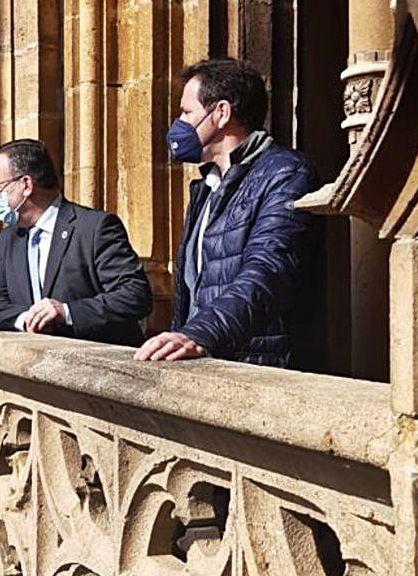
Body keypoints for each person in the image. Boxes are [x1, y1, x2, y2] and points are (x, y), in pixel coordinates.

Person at [135, 58, 320, 364]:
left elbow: (268, 271)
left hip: (259, 369)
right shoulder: (206, 186)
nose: (179, 124)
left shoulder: (286, 174)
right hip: (208, 364)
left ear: (220, 113)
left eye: (186, 112)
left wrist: (199, 335)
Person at [0, 139, 152, 347]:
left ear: (26, 185)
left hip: (93, 365)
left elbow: (135, 295)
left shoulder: (94, 228)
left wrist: (66, 312)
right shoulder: (9, 239)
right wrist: (27, 319)